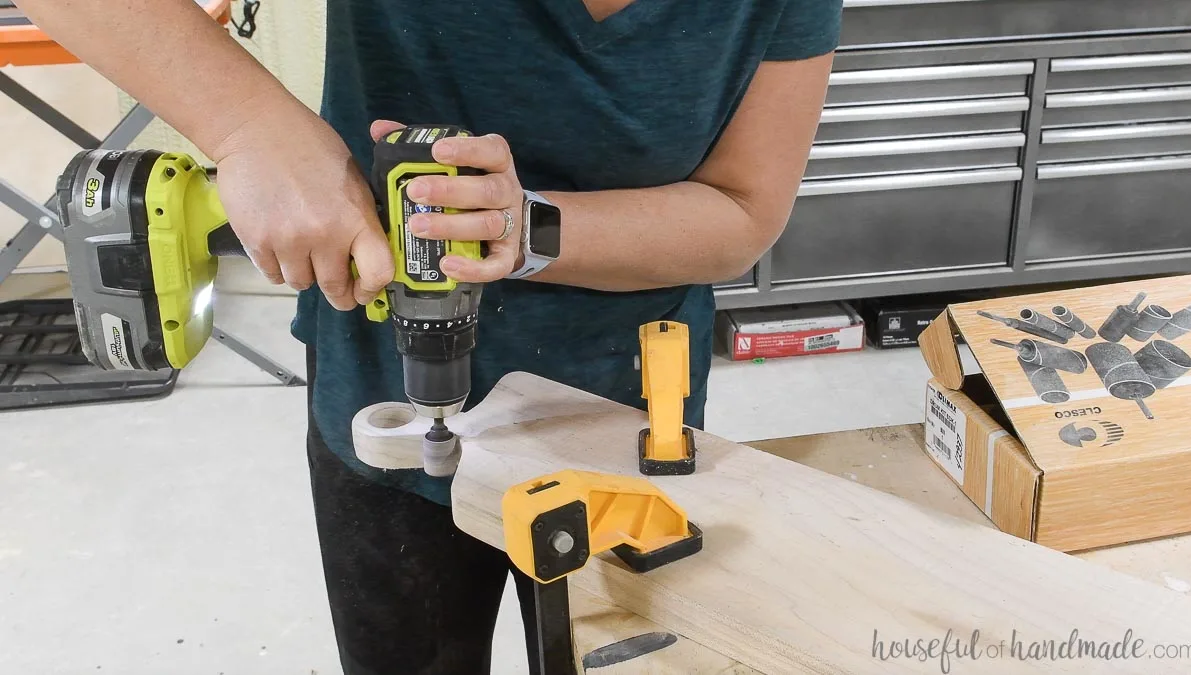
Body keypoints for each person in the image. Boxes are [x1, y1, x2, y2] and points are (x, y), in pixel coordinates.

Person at [20, 0, 841, 672]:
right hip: (378, 394)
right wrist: (247, 127)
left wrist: (527, 232)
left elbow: (741, 211)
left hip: (629, 406)